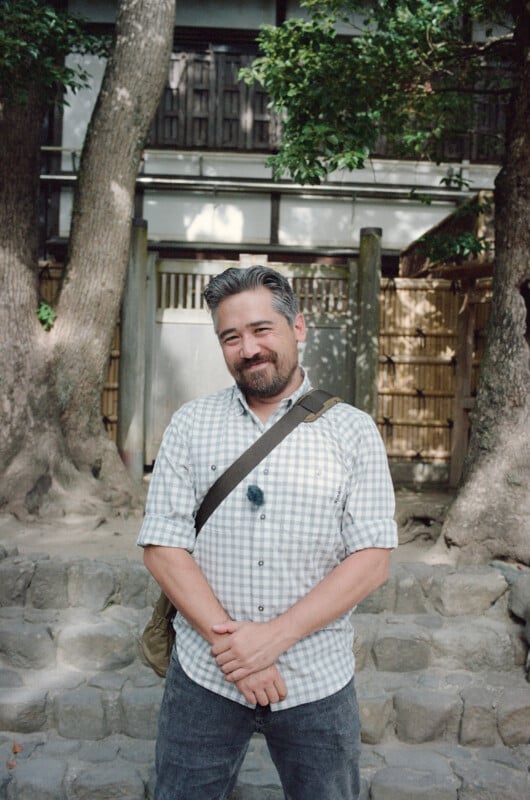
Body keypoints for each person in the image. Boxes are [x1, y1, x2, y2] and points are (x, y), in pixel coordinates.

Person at [137, 265, 398, 800]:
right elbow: (163, 545)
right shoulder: (191, 423)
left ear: (298, 327)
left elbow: (372, 558)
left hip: (316, 679)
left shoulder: (352, 431)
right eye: (231, 336)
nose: (248, 348)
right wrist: (231, 647)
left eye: (262, 330)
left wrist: (271, 640)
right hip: (207, 678)